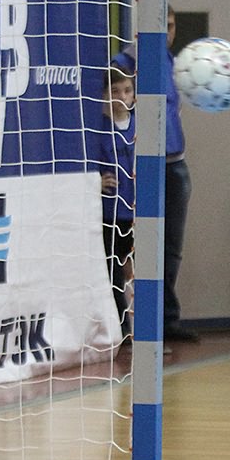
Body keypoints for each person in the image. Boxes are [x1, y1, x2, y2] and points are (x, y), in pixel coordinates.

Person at [162, 6, 199, 343]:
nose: (167, 32)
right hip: (142, 166)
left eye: (171, 26)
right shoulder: (127, 64)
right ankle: (133, 321)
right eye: (162, 24)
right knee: (135, 244)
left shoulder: (177, 66)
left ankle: (167, 320)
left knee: (172, 246)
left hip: (175, 164)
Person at [97, 58, 136, 338]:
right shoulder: (96, 129)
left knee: (138, 272)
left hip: (139, 214)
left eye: (127, 90)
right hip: (110, 213)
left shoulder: (143, 127)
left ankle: (151, 330)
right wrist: (95, 182)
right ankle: (122, 329)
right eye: (114, 91)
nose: (121, 96)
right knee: (113, 271)